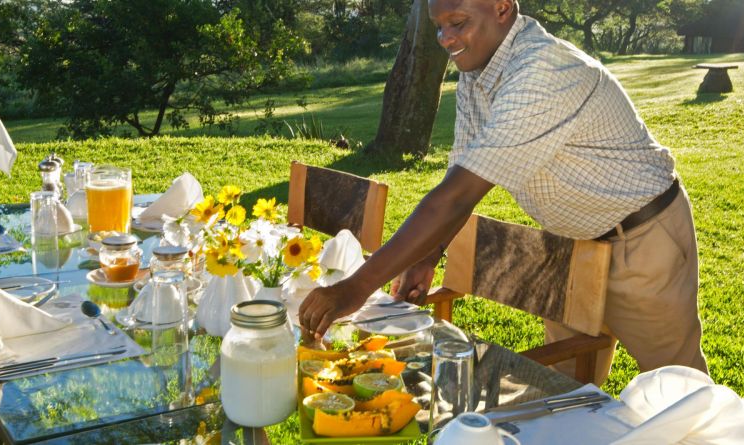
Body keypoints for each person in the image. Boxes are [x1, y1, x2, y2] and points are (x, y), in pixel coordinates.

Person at [299, 0, 708, 383]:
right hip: (570, 245)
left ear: (501, 8)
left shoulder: (541, 69)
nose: (446, 39)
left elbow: (458, 197)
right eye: (438, 27)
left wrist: (354, 288)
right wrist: (428, 256)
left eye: (457, 23)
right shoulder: (478, 74)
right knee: (563, 389)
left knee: (682, 394)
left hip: (641, 239)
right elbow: (459, 173)